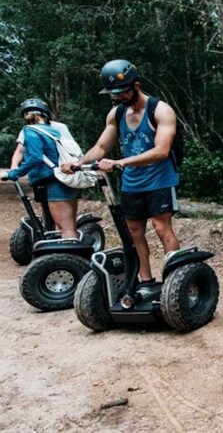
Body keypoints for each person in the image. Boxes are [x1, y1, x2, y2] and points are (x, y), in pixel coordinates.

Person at [61, 59, 180, 293]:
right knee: (134, 232)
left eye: (122, 91)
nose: (118, 97)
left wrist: (120, 162)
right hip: (132, 183)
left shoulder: (161, 110)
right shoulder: (116, 114)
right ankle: (145, 281)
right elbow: (102, 147)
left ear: (136, 85)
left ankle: (176, 281)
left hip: (160, 180)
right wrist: (78, 162)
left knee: (161, 227)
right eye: (114, 93)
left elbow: (161, 151)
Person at [1, 98, 82, 239]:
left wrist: (15, 172)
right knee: (69, 226)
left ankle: (69, 260)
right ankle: (68, 255)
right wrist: (13, 168)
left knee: (65, 229)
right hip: (67, 177)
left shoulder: (30, 130)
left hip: (52, 180)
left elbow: (35, 157)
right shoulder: (53, 130)